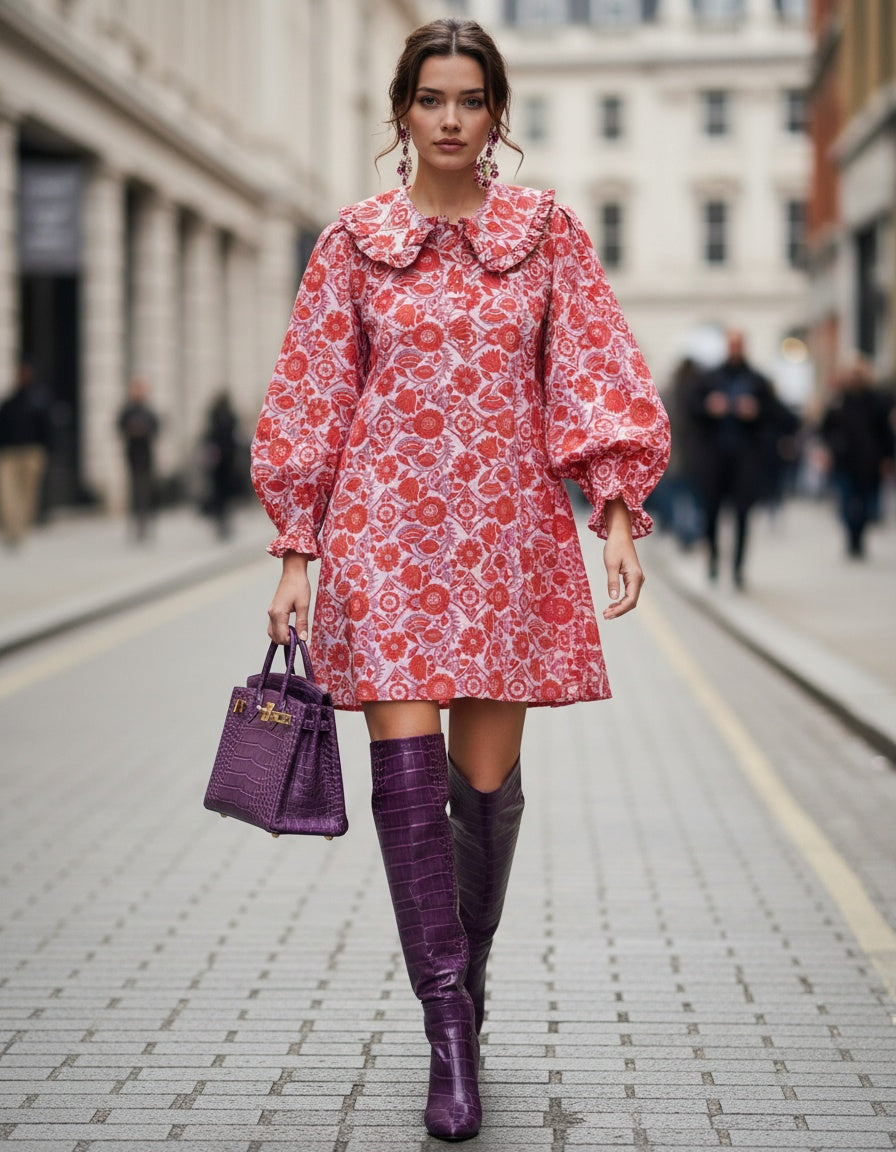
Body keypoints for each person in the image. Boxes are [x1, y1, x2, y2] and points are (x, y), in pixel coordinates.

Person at [250, 18, 669, 1142]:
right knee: (403, 786)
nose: (447, 117)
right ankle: (444, 1025)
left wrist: (616, 514)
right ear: (399, 113)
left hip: (508, 543)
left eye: (468, 98)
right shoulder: (351, 242)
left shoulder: (544, 238)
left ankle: (465, 983)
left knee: (481, 792)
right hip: (383, 537)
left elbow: (590, 374)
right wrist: (297, 549)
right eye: (429, 97)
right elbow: (311, 398)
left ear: (495, 116)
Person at [689, 330, 776, 588]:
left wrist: (755, 412)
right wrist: (709, 407)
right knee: (711, 512)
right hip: (714, 459)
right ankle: (714, 561)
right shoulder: (710, 379)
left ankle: (738, 568)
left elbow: (773, 415)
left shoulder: (757, 380)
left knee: (742, 514)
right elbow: (692, 410)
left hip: (745, 459)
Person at [820, 358, 894, 558]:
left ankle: (859, 537)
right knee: (845, 504)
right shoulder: (839, 400)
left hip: (870, 461)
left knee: (867, 506)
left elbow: (886, 433)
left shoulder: (878, 401)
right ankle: (851, 537)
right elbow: (825, 428)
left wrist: (887, 458)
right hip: (844, 460)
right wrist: (829, 449)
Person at [0, 362, 52, 547]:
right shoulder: (9, 401)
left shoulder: (39, 401)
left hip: (32, 452)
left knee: (28, 493)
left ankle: (21, 529)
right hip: (10, 453)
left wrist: (45, 450)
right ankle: (12, 529)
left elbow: (47, 428)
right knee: (7, 494)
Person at [117, 378, 159, 541]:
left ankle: (144, 522)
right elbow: (120, 427)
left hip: (146, 455)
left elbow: (156, 428)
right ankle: (136, 522)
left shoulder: (148, 411)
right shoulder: (128, 411)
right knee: (134, 490)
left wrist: (144, 431)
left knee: (146, 489)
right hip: (132, 455)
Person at [200, 391, 239, 539]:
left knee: (221, 492)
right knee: (222, 493)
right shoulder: (227, 416)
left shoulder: (217, 416)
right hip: (224, 460)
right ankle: (222, 520)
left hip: (221, 460)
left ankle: (222, 520)